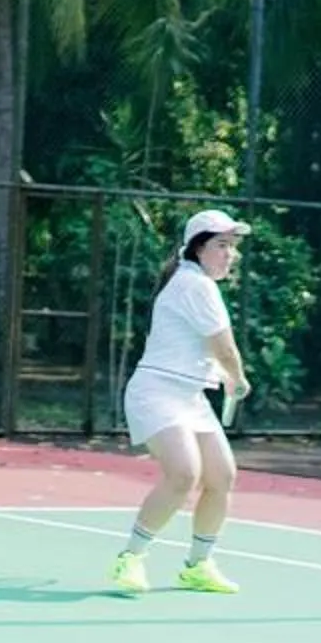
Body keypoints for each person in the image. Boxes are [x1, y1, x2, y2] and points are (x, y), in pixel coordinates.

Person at [112, 208, 252, 595]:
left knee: (221, 476)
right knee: (184, 473)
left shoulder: (194, 283)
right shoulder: (196, 285)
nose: (230, 254)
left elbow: (204, 349)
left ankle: (198, 565)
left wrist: (223, 377)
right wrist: (238, 378)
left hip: (188, 395)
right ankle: (131, 558)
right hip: (156, 393)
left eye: (232, 247)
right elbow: (224, 345)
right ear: (197, 249)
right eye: (221, 245)